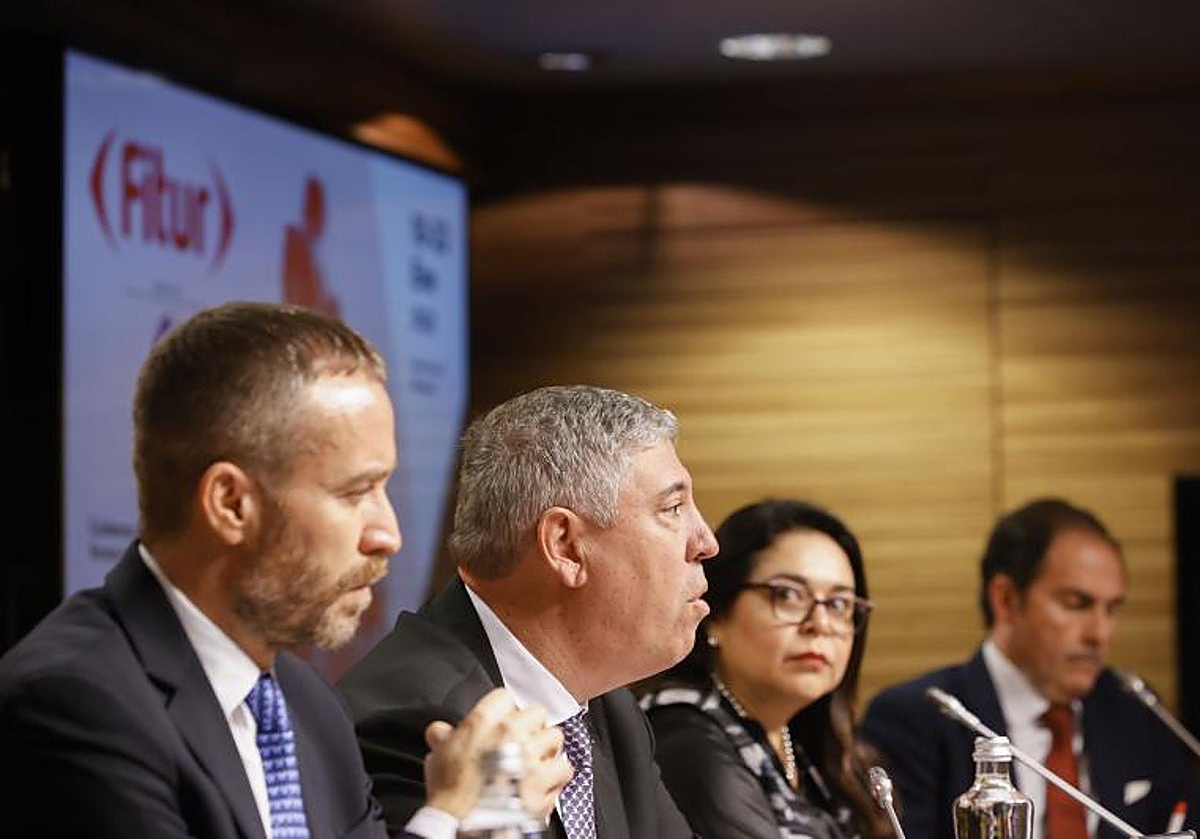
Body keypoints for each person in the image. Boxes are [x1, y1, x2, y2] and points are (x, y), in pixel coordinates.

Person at [0, 302, 568, 839]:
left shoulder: (305, 703)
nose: (387, 534)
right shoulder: (73, 702)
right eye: (355, 492)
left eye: (385, 488)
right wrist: (452, 822)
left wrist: (479, 815)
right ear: (231, 504)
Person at [339, 384, 720, 838]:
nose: (706, 542)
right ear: (566, 546)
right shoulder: (423, 724)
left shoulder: (606, 708)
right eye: (673, 508)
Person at [861, 497, 1200, 839]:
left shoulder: (1134, 710)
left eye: (1111, 609)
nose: (1100, 633)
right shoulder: (914, 719)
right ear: (1006, 599)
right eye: (1077, 604)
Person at [640, 499, 890, 839]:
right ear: (716, 615)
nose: (820, 624)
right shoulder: (687, 741)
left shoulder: (808, 743)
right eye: (787, 595)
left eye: (838, 604)